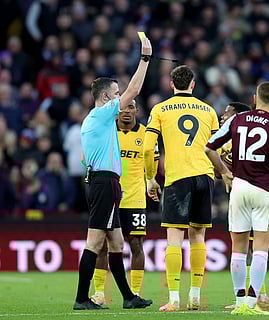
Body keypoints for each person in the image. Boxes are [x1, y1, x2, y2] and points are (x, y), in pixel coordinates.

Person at [205, 81, 269, 315]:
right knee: (260, 250)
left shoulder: (236, 120)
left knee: (238, 248)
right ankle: (252, 303)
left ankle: (239, 302)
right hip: (265, 190)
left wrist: (226, 173)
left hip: (238, 187)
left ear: (254, 98)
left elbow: (209, 148)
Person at [74, 35, 153, 310]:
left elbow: (86, 158)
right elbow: (133, 90)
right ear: (106, 98)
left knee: (117, 242)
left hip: (103, 182)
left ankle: (129, 298)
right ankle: (82, 298)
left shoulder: (93, 121)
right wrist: (145, 59)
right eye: (116, 95)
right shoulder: (102, 114)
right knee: (95, 241)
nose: (122, 99)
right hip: (104, 182)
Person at [143, 65, 220, 312]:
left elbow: (147, 149)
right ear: (193, 85)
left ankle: (174, 298)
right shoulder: (208, 110)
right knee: (198, 236)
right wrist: (220, 173)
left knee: (174, 237)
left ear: (171, 84)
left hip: (178, 177)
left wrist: (150, 178)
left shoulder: (160, 109)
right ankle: (195, 295)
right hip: (204, 175)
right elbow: (216, 147)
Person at [90, 99, 158, 305]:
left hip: (135, 198)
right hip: (110, 197)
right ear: (116, 112)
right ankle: (99, 293)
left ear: (137, 110)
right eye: (123, 108)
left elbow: (152, 164)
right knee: (101, 245)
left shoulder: (147, 134)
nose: (127, 112)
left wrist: (150, 183)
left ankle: (134, 293)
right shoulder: (107, 133)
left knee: (136, 244)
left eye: (131, 107)